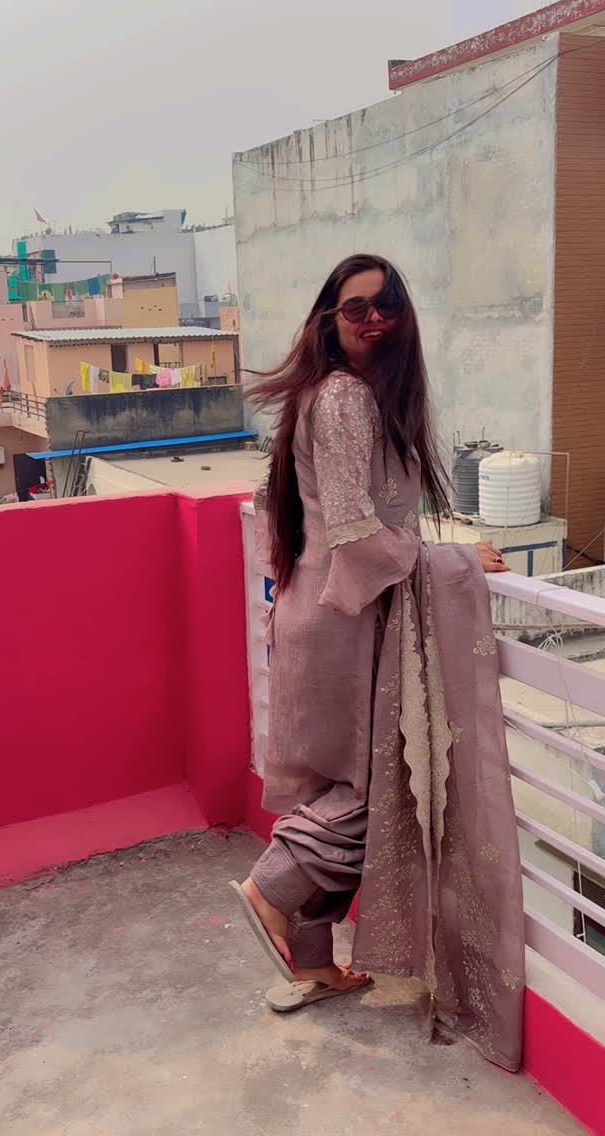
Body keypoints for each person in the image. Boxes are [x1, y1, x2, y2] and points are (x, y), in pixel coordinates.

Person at [231, 254, 525, 1070]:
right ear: (329, 320)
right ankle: (268, 891)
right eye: (354, 307)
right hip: (344, 621)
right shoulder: (346, 397)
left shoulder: (326, 397)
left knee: (327, 788)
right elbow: (357, 533)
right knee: (366, 791)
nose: (372, 319)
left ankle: (313, 967)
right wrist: (455, 557)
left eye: (385, 305)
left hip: (318, 612)